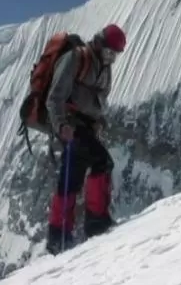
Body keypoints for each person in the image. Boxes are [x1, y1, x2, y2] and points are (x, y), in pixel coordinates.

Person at [43, 23, 126, 255]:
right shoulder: (75, 58)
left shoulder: (103, 67)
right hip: (71, 125)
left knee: (71, 178)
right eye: (110, 52)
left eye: (115, 55)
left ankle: (58, 235)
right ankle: (96, 222)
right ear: (99, 43)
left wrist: (99, 121)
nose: (111, 58)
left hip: (86, 126)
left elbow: (98, 100)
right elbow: (54, 97)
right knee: (102, 162)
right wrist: (61, 125)